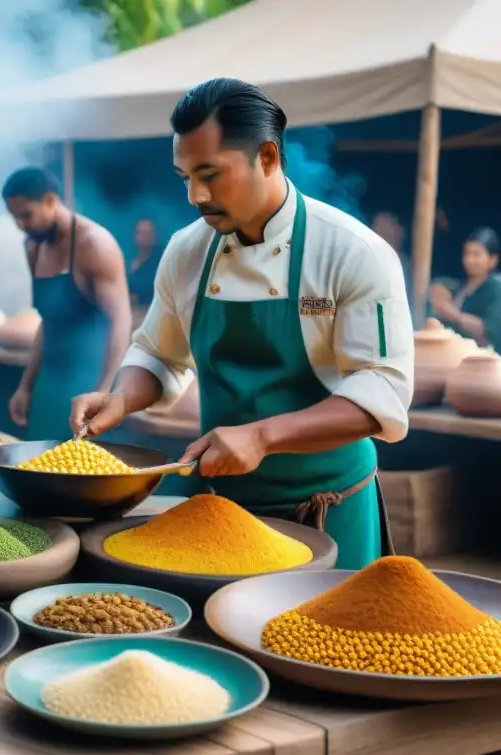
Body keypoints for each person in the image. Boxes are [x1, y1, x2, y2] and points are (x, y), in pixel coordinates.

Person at [70, 78, 414, 570]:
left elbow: (383, 392)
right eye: (184, 176)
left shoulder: (352, 252)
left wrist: (261, 436)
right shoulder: (188, 250)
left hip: (326, 508)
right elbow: (158, 353)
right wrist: (122, 397)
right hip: (218, 513)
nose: (194, 194)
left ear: (268, 157)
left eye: (210, 174)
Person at [3, 167, 132, 439]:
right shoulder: (33, 246)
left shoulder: (94, 244)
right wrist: (26, 386)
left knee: (81, 476)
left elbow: (121, 321)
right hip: (49, 382)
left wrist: (104, 392)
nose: (21, 225)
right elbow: (48, 322)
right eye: (15, 218)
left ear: (51, 200)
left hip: (90, 379)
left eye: (26, 215)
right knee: (38, 468)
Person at [430, 227, 501, 348]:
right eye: (466, 253)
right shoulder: (462, 286)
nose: (469, 260)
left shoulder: (496, 286)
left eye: (476, 254)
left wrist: (453, 314)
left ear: (492, 259)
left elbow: (485, 329)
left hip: (486, 359)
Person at [127, 217, 162, 306]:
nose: (144, 237)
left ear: (154, 236)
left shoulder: (160, 265)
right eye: (141, 233)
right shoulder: (131, 263)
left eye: (148, 233)